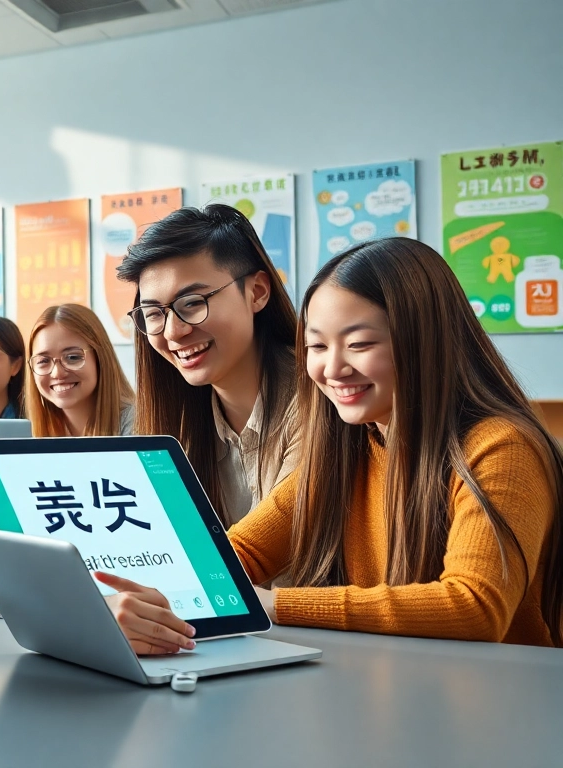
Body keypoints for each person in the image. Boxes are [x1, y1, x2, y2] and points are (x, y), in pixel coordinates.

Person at [101, 238, 563, 652]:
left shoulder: (501, 447)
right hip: (399, 688)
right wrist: (138, 600)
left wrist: (274, 605)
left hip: (504, 703)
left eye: (359, 344)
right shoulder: (347, 447)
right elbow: (234, 554)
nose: (332, 369)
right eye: (317, 347)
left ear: (425, 341)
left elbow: (474, 606)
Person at [118, 204, 300, 527]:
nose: (173, 332)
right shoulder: (178, 419)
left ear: (257, 292)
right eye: (154, 314)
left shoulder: (318, 397)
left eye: (192, 303)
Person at [25, 303, 136, 437]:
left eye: (72, 357)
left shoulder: (137, 423)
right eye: (43, 361)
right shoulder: (28, 431)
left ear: (100, 358)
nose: (57, 373)